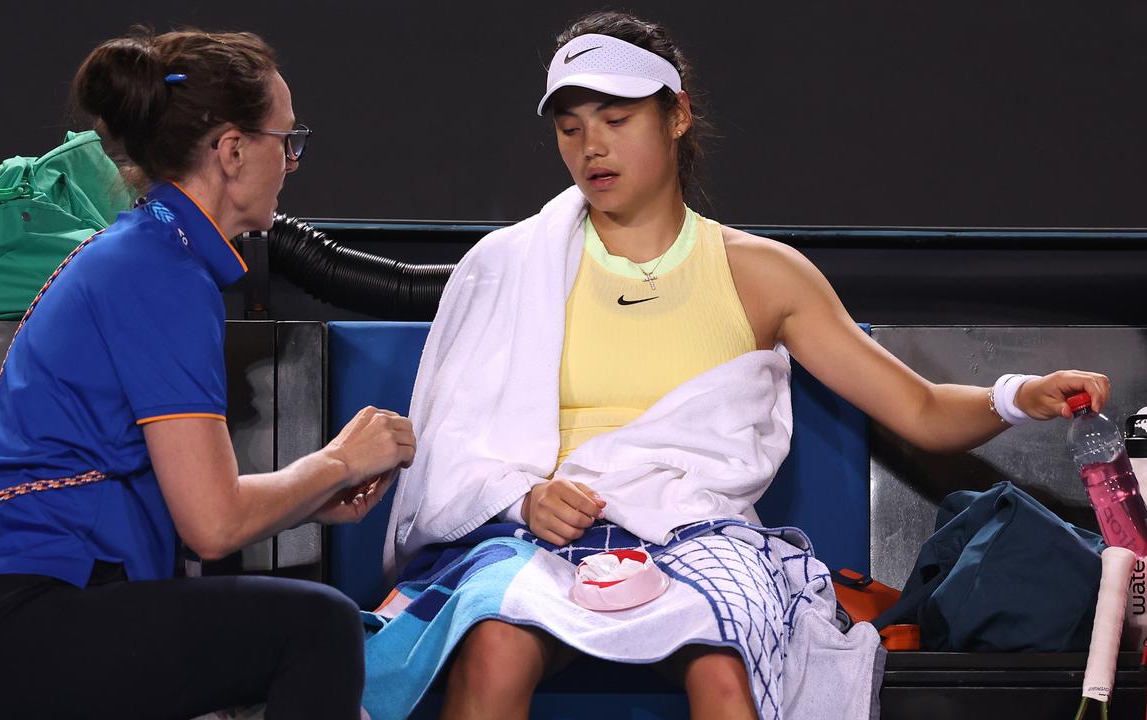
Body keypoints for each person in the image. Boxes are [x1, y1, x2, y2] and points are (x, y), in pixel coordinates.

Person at [368, 11, 1111, 720]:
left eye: (617, 121)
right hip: (535, 535)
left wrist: (1018, 395)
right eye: (571, 128)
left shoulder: (764, 275)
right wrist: (521, 497)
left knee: (728, 662)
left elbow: (917, 409)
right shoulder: (507, 266)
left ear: (677, 115)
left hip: (696, 534)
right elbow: (453, 447)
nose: (592, 147)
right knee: (493, 646)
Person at [0, 29, 414, 720]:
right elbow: (212, 522)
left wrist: (307, 494)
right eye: (285, 141)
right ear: (233, 151)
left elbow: (194, 497)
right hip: (18, 631)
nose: (292, 163)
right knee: (317, 626)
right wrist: (337, 460)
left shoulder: (147, 252)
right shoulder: (160, 272)